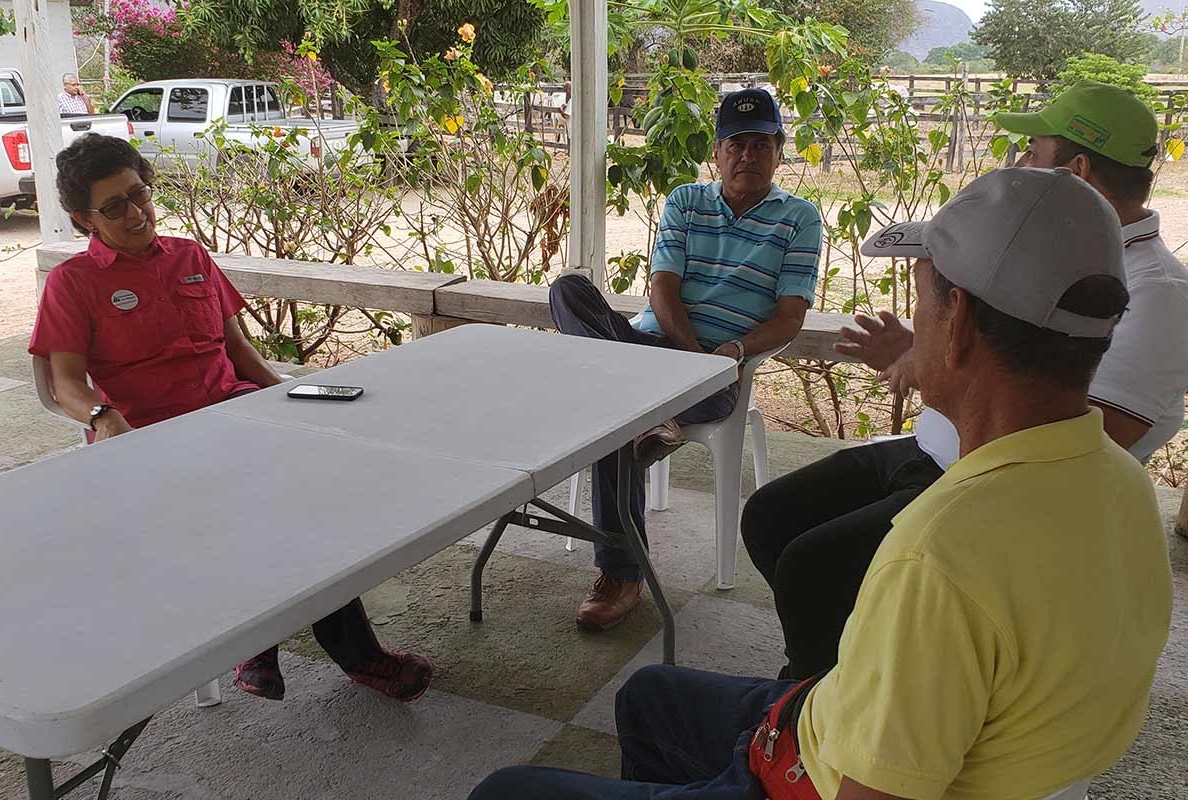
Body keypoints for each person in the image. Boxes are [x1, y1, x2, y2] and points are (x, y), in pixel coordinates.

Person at [469, 167, 1172, 800]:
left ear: (956, 324)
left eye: (921, 300)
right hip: (842, 724)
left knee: (506, 790)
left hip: (807, 774)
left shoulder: (937, 556)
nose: (915, 323)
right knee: (648, 695)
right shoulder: (1120, 483)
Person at [742, 80, 1188, 680]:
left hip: (989, 486)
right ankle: (859, 659)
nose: (1021, 163)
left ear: (1076, 172)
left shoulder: (1157, 293)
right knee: (771, 516)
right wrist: (924, 350)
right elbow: (1001, 358)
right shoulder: (1051, 250)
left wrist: (937, 365)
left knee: (812, 568)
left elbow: (1085, 439)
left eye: (1032, 152)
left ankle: (824, 700)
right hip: (934, 449)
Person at [29, 133, 433, 703]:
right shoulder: (74, 283)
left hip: (237, 416)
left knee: (327, 493)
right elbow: (65, 383)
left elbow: (239, 351)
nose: (136, 212)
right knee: (266, 508)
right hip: (152, 439)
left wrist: (289, 398)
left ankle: (261, 642)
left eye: (139, 194)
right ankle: (340, 655)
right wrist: (103, 417)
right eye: (114, 206)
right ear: (82, 218)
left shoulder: (190, 257)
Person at [549, 88, 822, 632]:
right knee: (568, 290)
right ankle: (656, 413)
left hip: (721, 371)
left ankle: (621, 574)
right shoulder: (686, 201)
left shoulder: (799, 218)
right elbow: (663, 287)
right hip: (660, 353)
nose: (748, 155)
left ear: (779, 152)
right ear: (717, 153)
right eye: (736, 144)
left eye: (761, 144)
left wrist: (729, 355)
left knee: (617, 414)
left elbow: (791, 316)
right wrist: (687, 362)